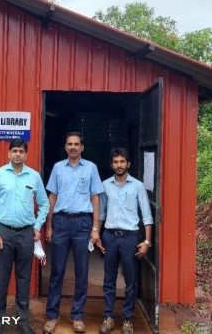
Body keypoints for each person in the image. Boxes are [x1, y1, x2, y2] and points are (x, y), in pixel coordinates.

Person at [0, 138, 49, 334]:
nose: (17, 154)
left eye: (21, 151)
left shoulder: (34, 176)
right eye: (14, 151)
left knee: (23, 279)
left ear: (26, 155)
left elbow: (44, 204)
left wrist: (37, 226)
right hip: (3, 233)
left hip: (26, 234)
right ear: (8, 153)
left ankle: (23, 322)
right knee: (2, 279)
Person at [43, 132, 105, 334]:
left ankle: (77, 316)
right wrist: (49, 225)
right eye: (69, 144)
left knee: (81, 272)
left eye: (76, 144)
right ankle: (52, 315)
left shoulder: (91, 168)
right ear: (65, 147)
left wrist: (95, 228)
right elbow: (52, 197)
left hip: (82, 224)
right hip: (60, 222)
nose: (73, 147)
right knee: (57, 271)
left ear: (82, 147)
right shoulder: (58, 168)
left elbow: (95, 198)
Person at [98, 147, 154, 334]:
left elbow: (147, 216)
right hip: (109, 237)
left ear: (128, 164)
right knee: (109, 280)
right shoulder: (105, 185)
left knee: (131, 281)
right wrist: (96, 234)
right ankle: (108, 317)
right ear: (111, 165)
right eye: (116, 162)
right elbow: (101, 214)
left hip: (130, 238)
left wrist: (147, 242)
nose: (119, 165)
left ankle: (128, 319)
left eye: (122, 161)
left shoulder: (138, 186)